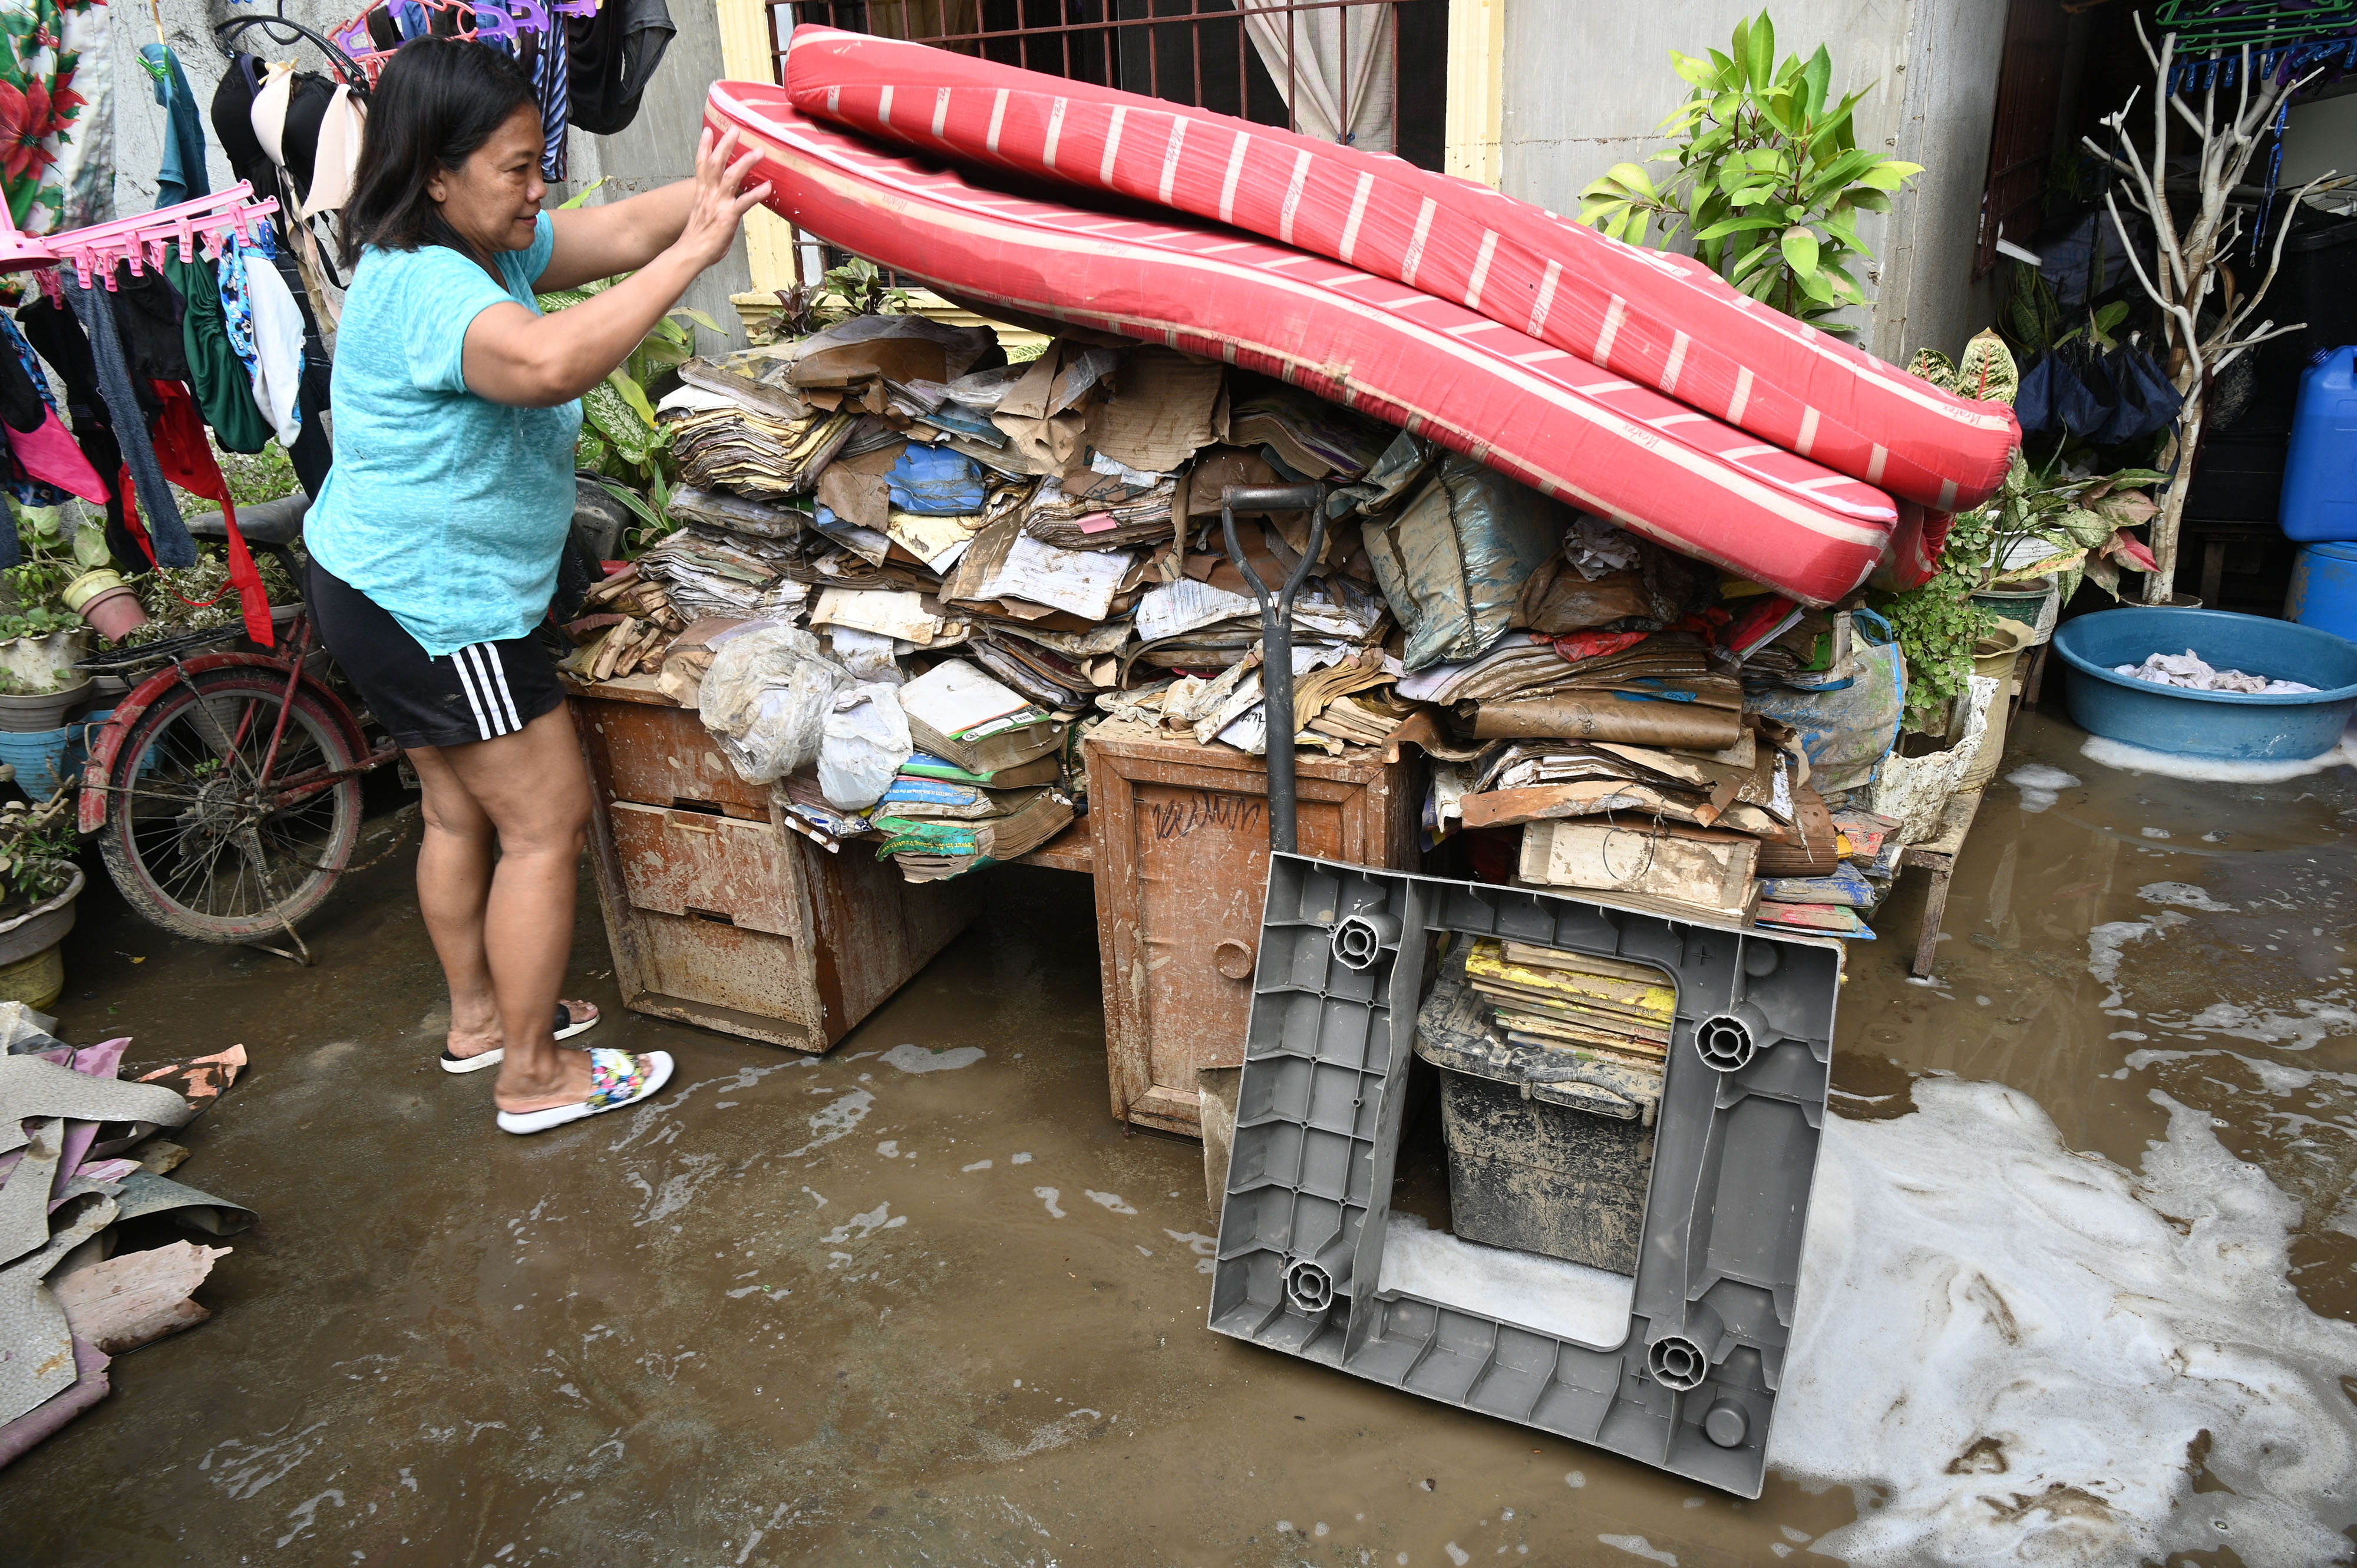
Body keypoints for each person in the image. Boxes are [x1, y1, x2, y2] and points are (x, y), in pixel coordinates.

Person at [305, 37, 770, 1134]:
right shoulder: (427, 287)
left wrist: (721, 186)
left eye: (538, 161)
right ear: (435, 170)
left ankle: (479, 1020)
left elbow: (614, 229)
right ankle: (533, 1073)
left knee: (462, 812)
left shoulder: (479, 246)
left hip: (382, 586)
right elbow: (550, 365)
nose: (538, 188)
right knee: (546, 820)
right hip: (435, 605)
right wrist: (698, 252)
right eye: (516, 168)